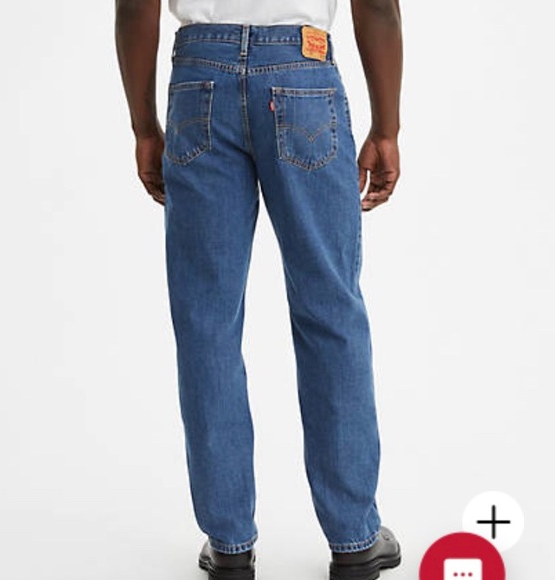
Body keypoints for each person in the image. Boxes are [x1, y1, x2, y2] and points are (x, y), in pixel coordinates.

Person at [115, 0, 403, 578]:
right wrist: (387, 128)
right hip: (303, 75)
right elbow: (377, 6)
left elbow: (134, 7)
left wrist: (144, 127)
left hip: (199, 80)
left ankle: (229, 544)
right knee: (331, 312)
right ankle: (353, 540)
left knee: (206, 321)